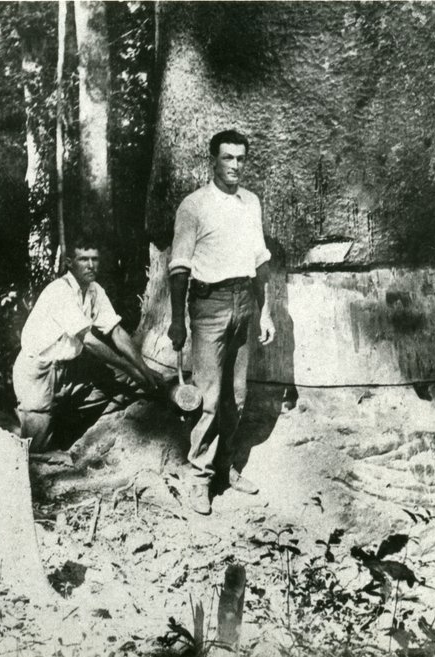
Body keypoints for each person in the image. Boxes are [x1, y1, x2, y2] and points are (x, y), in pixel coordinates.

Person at [167, 129, 276, 515]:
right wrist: (178, 320)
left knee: (238, 397)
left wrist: (265, 310)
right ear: (213, 159)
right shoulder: (194, 206)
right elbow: (179, 267)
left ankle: (224, 468)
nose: (234, 166)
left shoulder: (251, 203)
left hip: (244, 300)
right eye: (227, 158)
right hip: (208, 305)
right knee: (209, 398)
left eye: (240, 159)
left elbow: (261, 261)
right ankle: (197, 478)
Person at [13, 236, 163, 454]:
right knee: (37, 452)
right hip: (38, 372)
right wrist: (131, 368)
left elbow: (116, 331)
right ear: (69, 263)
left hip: (69, 370)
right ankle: (26, 428)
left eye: (95, 259)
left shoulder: (94, 290)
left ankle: (80, 440)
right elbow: (89, 341)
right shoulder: (59, 291)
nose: (91, 265)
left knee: (123, 382)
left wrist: (143, 369)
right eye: (84, 259)